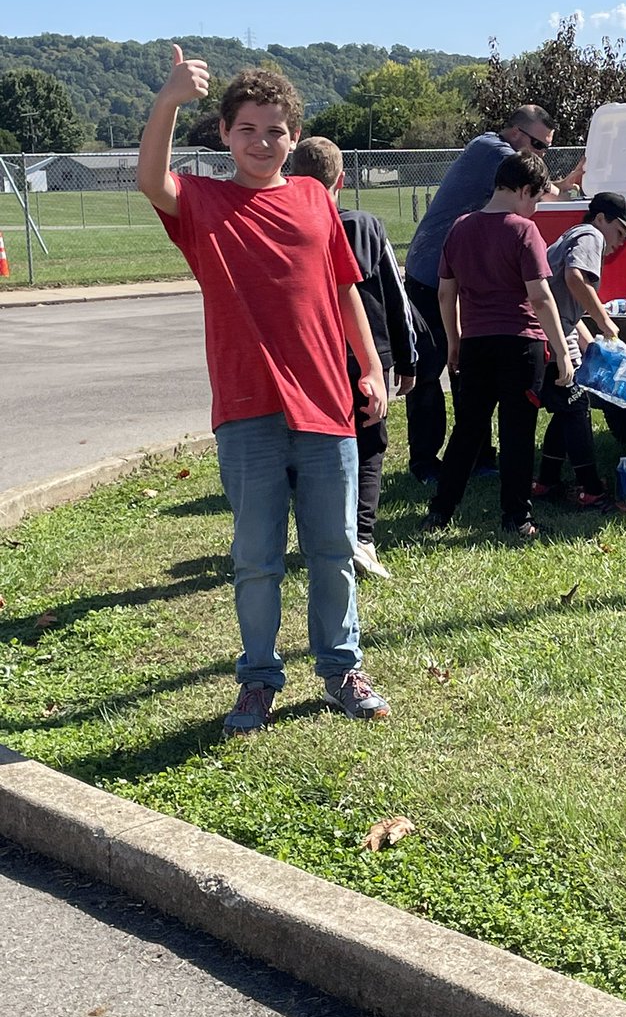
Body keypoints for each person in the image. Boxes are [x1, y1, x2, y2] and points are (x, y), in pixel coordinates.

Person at [137, 46, 391, 732]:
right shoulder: (203, 202)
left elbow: (344, 291)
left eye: (275, 130)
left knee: (334, 550)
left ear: (294, 138)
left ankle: (342, 668)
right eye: (246, 129)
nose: (260, 141)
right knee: (256, 558)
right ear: (224, 134)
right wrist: (167, 101)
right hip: (247, 407)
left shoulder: (314, 198)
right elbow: (151, 180)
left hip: (326, 406)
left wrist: (369, 368)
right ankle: (257, 679)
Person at [404, 105, 584, 485]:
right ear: (516, 133)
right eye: (537, 144)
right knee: (431, 370)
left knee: (474, 372)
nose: (539, 154)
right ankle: (424, 462)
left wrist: (564, 185)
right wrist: (564, 186)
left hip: (456, 275)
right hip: (428, 274)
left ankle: (480, 457)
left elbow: (542, 191)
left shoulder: (505, 158)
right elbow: (542, 190)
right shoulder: (493, 150)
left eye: (546, 148)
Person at [421, 152, 574, 538]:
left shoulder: (460, 227)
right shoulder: (523, 231)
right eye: (536, 200)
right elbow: (540, 298)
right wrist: (561, 350)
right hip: (521, 344)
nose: (536, 209)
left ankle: (440, 511)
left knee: (468, 430)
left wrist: (454, 342)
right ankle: (516, 518)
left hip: (475, 342)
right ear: (523, 191)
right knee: (517, 432)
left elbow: (445, 293)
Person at [291, 135, 417, 581]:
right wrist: (406, 360)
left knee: (312, 450)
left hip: (309, 359)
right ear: (342, 180)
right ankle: (361, 537)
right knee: (369, 448)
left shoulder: (286, 227)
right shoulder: (366, 226)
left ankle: (320, 536)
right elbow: (395, 296)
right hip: (367, 358)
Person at [534, 193, 626, 510]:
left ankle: (546, 482)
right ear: (600, 219)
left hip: (553, 330)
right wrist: (606, 322)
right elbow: (575, 278)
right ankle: (591, 491)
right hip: (547, 333)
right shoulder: (590, 235)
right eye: (620, 232)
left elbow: (570, 308)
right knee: (576, 407)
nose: (620, 242)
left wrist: (595, 346)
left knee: (567, 410)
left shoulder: (575, 235)